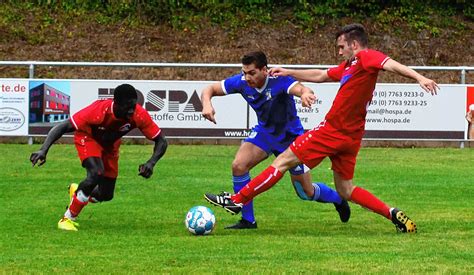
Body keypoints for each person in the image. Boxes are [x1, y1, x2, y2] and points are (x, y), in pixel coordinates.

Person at [205, 24, 439, 233]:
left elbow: (389, 63)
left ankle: (237, 199)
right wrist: (289, 71)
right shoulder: (351, 66)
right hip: (352, 136)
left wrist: (419, 77)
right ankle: (392, 213)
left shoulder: (366, 56)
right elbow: (321, 74)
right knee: (346, 189)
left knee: (282, 162)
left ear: (354, 44)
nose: (339, 52)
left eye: (341, 47)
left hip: (332, 130)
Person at [201, 51, 350, 229]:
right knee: (239, 165)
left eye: (252, 73)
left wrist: (304, 94)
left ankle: (338, 199)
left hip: (291, 139)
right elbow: (209, 89)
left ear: (264, 70)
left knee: (305, 192)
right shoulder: (241, 82)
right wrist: (207, 104)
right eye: (244, 72)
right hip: (265, 133)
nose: (247, 77)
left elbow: (301, 88)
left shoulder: (278, 80)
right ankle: (248, 220)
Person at [30, 84, 168, 231]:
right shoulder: (97, 111)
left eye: (134, 106)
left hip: (110, 146)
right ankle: (67, 218)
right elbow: (63, 126)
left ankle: (79, 192)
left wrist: (151, 163)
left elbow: (162, 141)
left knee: (106, 194)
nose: (131, 111)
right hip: (88, 138)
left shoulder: (138, 114)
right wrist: (43, 149)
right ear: (116, 103)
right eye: (128, 107)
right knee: (96, 172)